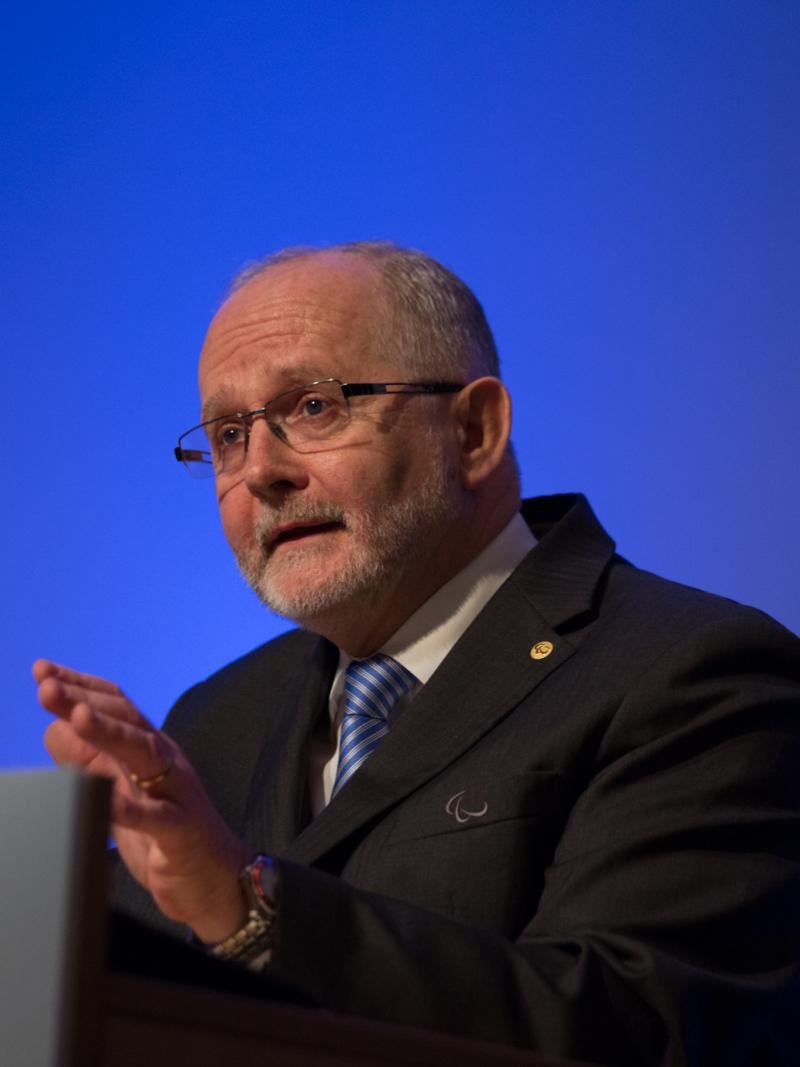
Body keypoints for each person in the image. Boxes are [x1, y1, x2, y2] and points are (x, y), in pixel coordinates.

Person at [34, 242, 800, 1066]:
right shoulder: (216, 720)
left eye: (315, 407)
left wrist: (249, 908)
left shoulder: (697, 674)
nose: (260, 471)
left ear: (473, 429)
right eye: (228, 434)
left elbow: (635, 1031)